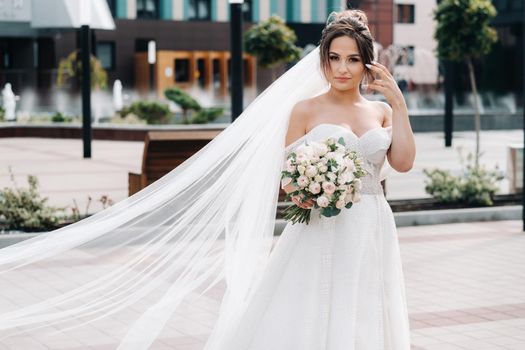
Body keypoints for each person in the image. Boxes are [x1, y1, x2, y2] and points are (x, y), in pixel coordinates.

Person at [0, 9, 414, 350]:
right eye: (335, 57)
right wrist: (318, 186)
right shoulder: (304, 111)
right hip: (322, 229)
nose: (342, 68)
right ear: (323, 59)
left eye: (353, 59)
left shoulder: (381, 112)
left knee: (365, 308)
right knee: (314, 308)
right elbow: (287, 182)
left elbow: (404, 163)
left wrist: (398, 104)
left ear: (367, 63)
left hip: (372, 226)